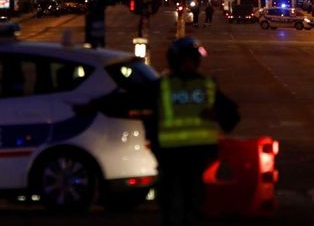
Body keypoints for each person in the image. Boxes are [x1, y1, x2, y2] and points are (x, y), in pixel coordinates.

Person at [75, 37, 239, 226]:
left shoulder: (165, 87)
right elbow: (231, 117)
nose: (189, 64)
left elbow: (128, 100)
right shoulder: (204, 86)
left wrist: (94, 106)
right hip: (194, 153)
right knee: (189, 196)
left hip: (173, 152)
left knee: (173, 195)